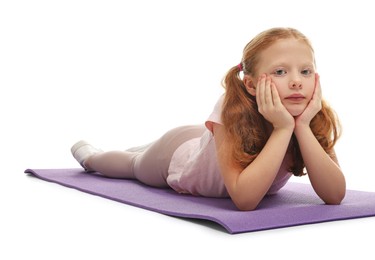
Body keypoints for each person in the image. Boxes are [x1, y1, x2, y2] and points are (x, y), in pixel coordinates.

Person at [71, 27, 346, 211]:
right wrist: (283, 128)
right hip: (177, 155)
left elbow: (335, 195)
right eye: (281, 72)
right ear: (250, 85)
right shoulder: (232, 107)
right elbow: (245, 200)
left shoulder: (310, 115)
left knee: (175, 146)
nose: (297, 81)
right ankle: (92, 157)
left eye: (306, 71)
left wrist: (301, 127)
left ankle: (143, 146)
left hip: (210, 143)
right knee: (133, 164)